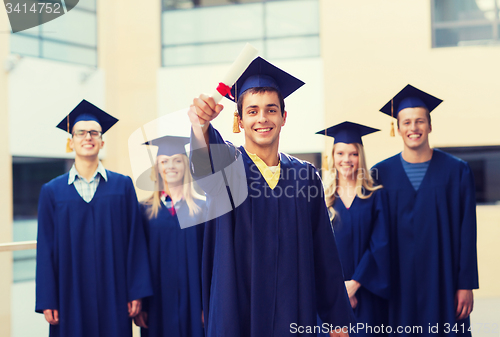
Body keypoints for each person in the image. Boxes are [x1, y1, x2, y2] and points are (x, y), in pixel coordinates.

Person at [187, 56, 354, 337]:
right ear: (239, 120)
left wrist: (337, 319)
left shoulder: (305, 176)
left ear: (283, 117)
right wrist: (199, 124)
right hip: (237, 313)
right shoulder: (228, 166)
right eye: (252, 111)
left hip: (293, 313)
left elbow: (324, 253)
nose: (262, 118)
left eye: (271, 110)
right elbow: (205, 159)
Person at [35, 99, 153, 337]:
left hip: (115, 291)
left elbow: (135, 242)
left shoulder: (122, 186)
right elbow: (45, 247)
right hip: (69, 293)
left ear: (102, 141)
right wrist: (48, 298)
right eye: (80, 133)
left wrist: (136, 291)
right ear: (71, 142)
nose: (87, 137)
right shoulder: (52, 191)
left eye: (93, 133)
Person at [372, 85, 478, 336]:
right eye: (406, 122)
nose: (413, 128)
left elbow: (467, 231)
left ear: (430, 125)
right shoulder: (380, 174)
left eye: (420, 121)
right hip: (398, 281)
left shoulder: (457, 171)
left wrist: (466, 284)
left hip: (444, 278)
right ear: (397, 129)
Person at [316, 122, 390, 337]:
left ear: (361, 157)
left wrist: (354, 285)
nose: (346, 159)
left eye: (353, 153)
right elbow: (316, 249)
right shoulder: (322, 197)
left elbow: (380, 244)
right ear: (332, 156)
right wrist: (339, 290)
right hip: (330, 293)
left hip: (367, 290)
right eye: (340, 153)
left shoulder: (375, 195)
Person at [133, 135, 206, 337]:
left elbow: (210, 261)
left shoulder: (202, 208)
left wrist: (206, 304)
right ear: (157, 168)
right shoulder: (144, 211)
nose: (170, 166)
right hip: (157, 302)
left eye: (177, 160)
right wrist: (142, 302)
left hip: (194, 301)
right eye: (164, 161)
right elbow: (139, 260)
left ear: (185, 165)